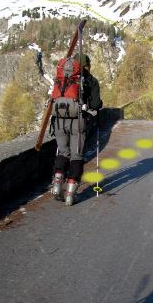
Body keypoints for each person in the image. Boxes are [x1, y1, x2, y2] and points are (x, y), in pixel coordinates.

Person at [50, 53, 102, 205]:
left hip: (59, 120)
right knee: (76, 155)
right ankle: (70, 194)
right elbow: (95, 104)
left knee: (63, 152)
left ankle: (57, 185)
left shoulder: (63, 77)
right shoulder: (90, 80)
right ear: (87, 65)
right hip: (78, 121)